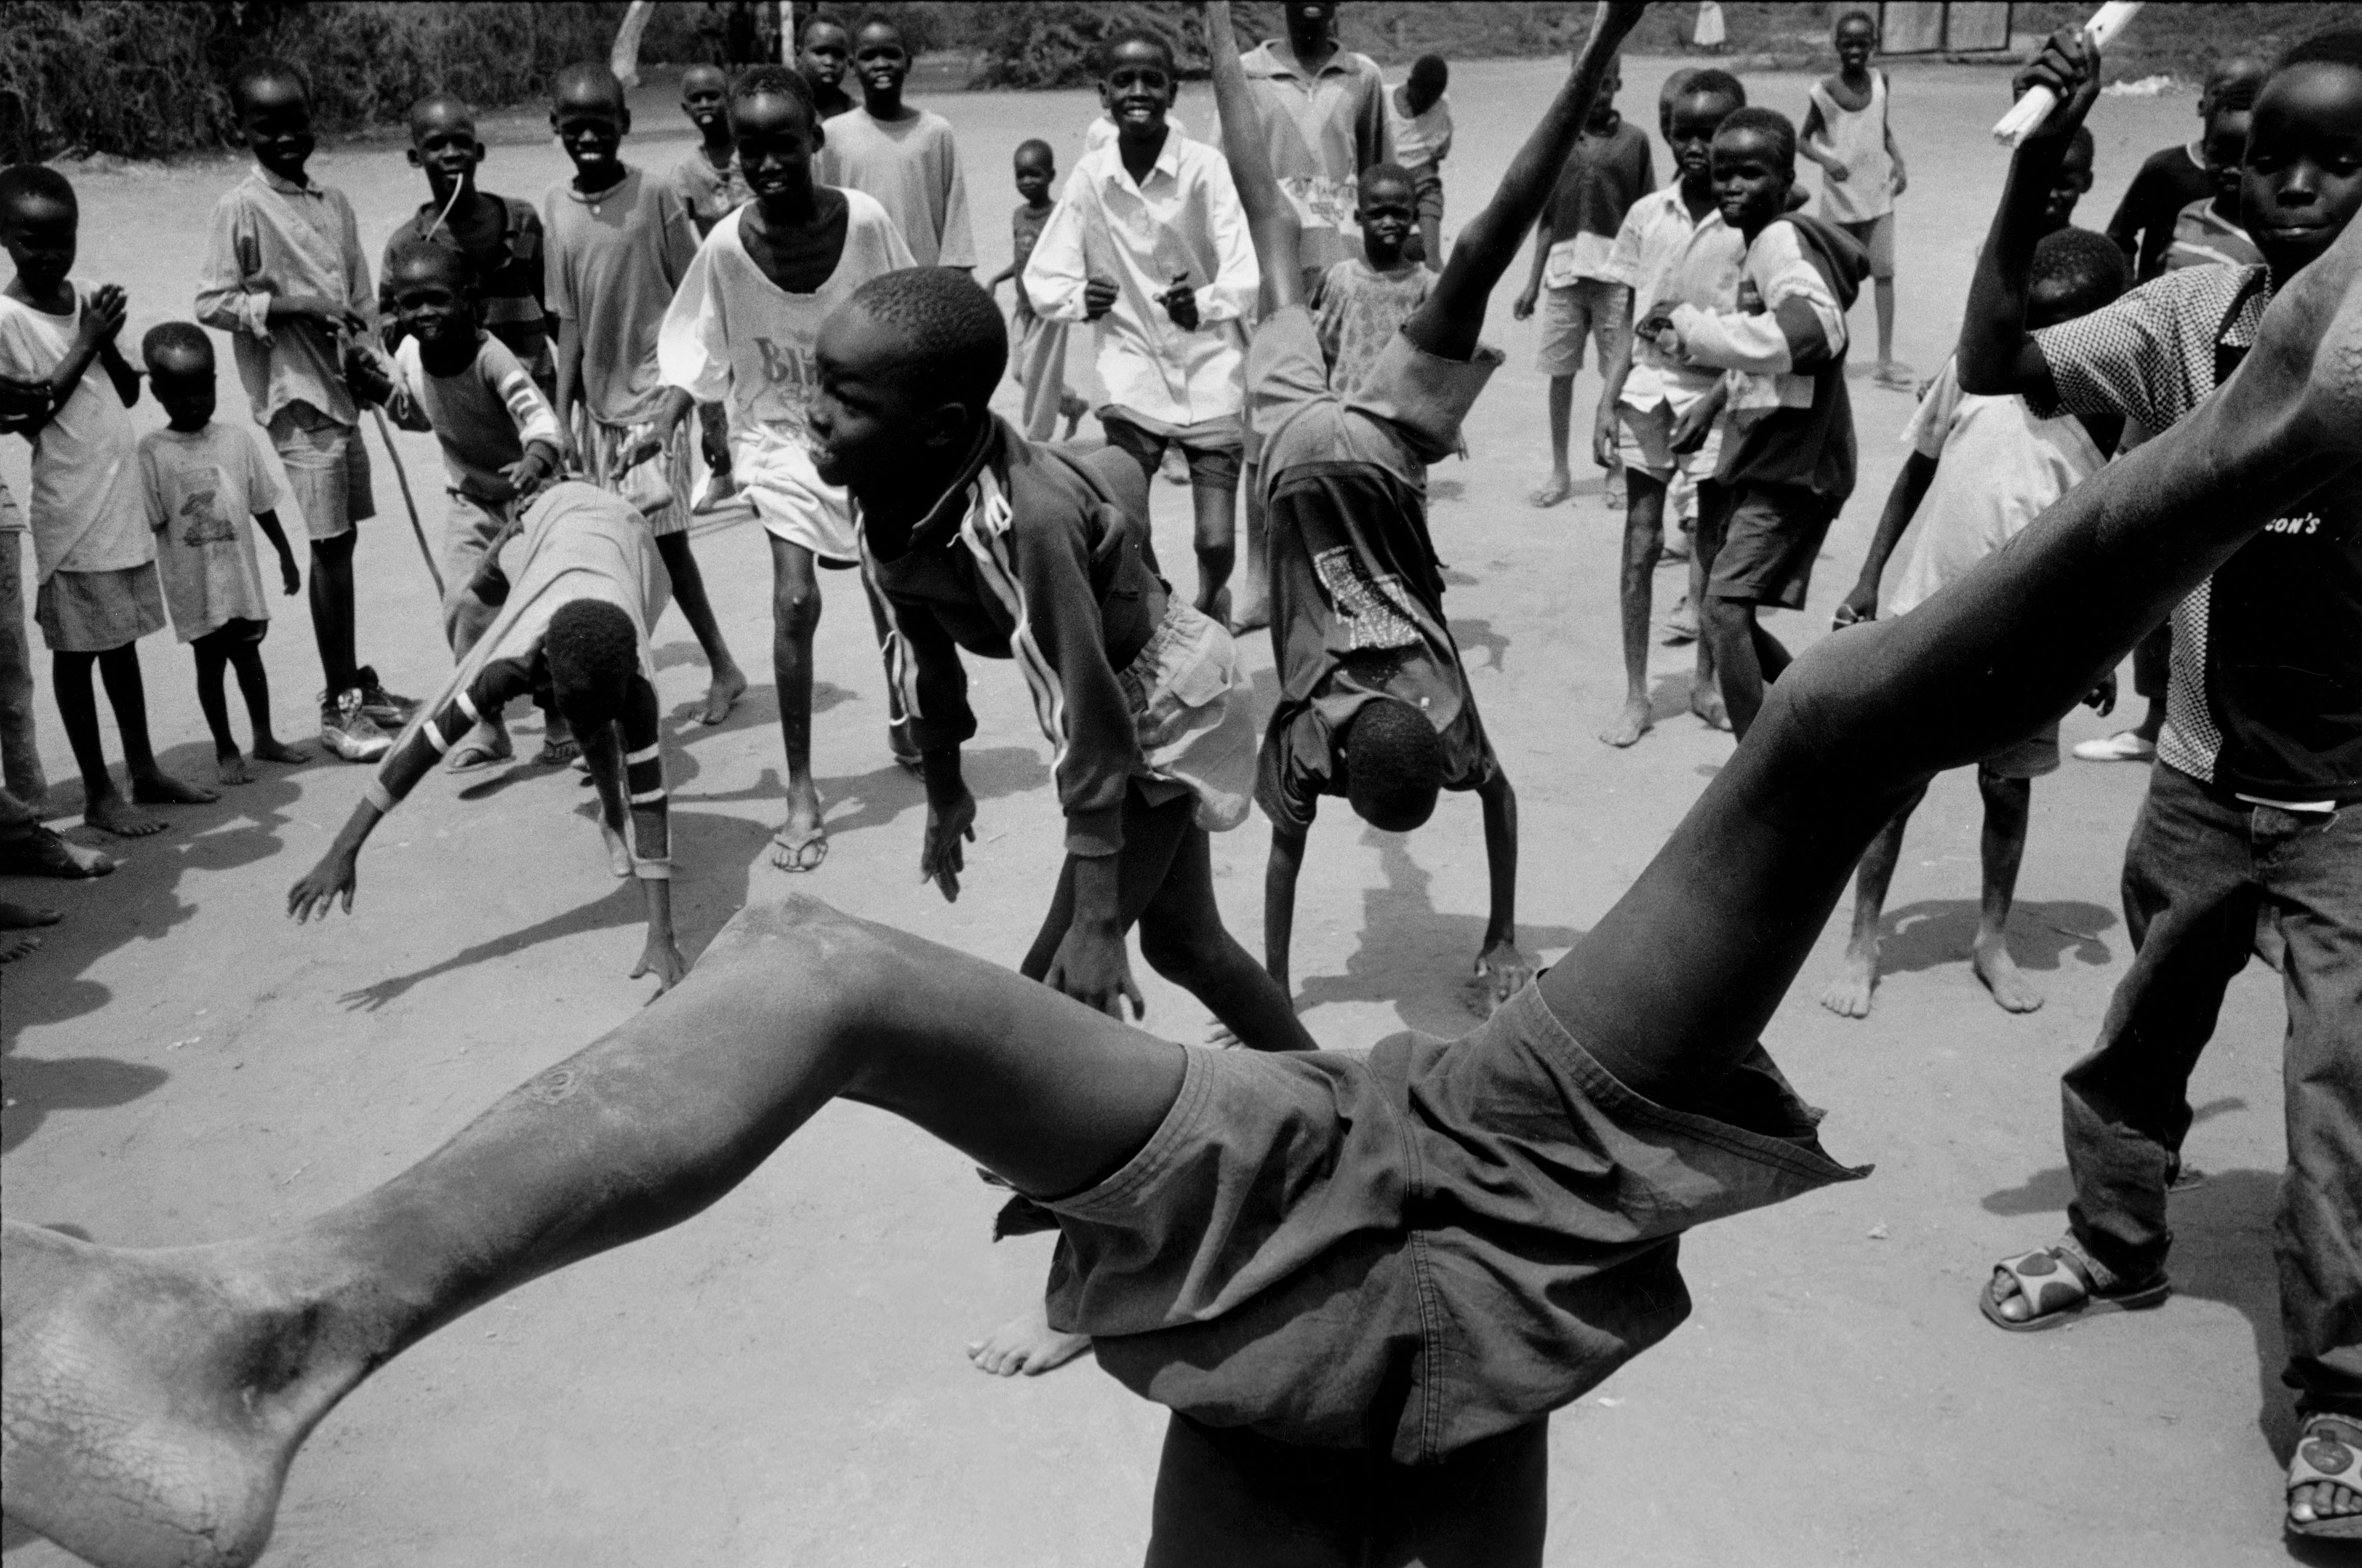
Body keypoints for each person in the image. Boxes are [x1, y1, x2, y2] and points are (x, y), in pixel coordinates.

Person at [14, 21, 2362, 1562]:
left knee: (881, 968)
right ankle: (271, 1330)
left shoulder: (1299, 517)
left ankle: (281, 1324)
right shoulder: (1334, 481)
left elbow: (1154, 714)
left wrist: (2249, 427)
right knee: (1096, 951)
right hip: (1502, 1156)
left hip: (1394, 1122)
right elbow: (1824, 714)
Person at [1957, 28, 2362, 1539]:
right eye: (2272, 159)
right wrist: (2027, 169)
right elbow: (1997, 364)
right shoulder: (2194, 318)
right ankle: (2116, 1239)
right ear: (2229, 175)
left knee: (2338, 1102)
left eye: (2342, 162)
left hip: (2350, 810)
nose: (2301, 185)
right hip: (2200, 773)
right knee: (2142, 1036)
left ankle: (2342, 1392)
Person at [837, 245, 1312, 1376]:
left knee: (1049, 1019)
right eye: (822, 388)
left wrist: (1096, 918)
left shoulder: (1024, 524)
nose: (817, 418)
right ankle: (1332, 1110)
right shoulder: (882, 489)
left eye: (846, 402)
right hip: (1131, 695)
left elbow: (1088, 724)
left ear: (941, 429)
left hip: (1160, 705)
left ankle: (1088, 1295)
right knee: (1188, 946)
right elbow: (920, 653)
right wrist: (944, 786)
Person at [1222, 25, 1531, 1023]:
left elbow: (1491, 799)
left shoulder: (1435, 706)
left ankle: (1214, 24)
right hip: (1300, 455)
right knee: (1278, 224)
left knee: (1467, 255)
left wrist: (1274, 997)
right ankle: (1214, 30)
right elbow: (1494, 804)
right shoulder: (1312, 738)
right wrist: (1500, 938)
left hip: (1372, 453)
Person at [1820, 228, 2128, 1019]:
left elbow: (2110, 550)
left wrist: (2097, 652)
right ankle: (1862, 940)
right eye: (2031, 323)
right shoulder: (1972, 371)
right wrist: (1867, 577)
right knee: (1893, 787)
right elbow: (1915, 472)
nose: (2043, 346)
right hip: (1926, 616)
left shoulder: (2116, 418)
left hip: (2031, 645)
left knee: (2006, 788)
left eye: (2067, 330)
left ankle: (1991, 940)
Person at [641, 64, 915, 873]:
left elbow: (907, 314)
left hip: (863, 435)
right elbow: (697, 346)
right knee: (795, 601)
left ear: (815, 141)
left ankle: (905, 712)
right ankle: (800, 790)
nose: (765, 164)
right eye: (748, 148)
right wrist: (664, 421)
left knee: (889, 587)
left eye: (782, 145)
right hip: (775, 437)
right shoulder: (728, 246)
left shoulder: (863, 223)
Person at [283, 481, 687, 996]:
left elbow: (651, 796)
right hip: (543, 524)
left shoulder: (635, 678)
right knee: (484, 601)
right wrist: (345, 848)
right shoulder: (511, 665)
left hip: (624, 537)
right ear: (543, 672)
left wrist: (662, 935)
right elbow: (423, 746)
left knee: (605, 726)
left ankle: (612, 816)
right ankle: (610, 814)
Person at [195, 56, 416, 762]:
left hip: (343, 395)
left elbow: (362, 301)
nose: (287, 138)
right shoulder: (241, 207)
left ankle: (354, 682)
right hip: (295, 396)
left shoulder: (334, 202)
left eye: (298, 123)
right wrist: (293, 306)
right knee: (328, 547)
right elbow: (212, 302)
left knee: (343, 544)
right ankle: (339, 705)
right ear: (243, 130)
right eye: (269, 127)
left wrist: (371, 361)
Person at [3, 164, 221, 835]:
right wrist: (88, 340)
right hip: (71, 511)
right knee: (77, 656)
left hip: (117, 505)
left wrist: (111, 343)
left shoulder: (87, 298)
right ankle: (99, 792)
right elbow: (31, 415)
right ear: (4, 238)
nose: (52, 255)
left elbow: (125, 394)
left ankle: (143, 769)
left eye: (63, 239)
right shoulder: (7, 319)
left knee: (121, 647)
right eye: (34, 241)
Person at [1645, 107, 1865, 742]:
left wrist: (1694, 328)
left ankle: (1756, 765)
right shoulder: (1765, 242)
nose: (1731, 187)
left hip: (1793, 463)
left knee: (1721, 610)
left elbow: (1813, 333)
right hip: (1771, 454)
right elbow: (1771, 350)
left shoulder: (1777, 242)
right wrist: (1712, 403)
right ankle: (1821, 727)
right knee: (1728, 613)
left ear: (1785, 179)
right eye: (1723, 174)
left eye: (1749, 173)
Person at [1024, 30, 1258, 623]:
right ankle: (1166, 618)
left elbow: (1244, 272)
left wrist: (1202, 304)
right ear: (1103, 95)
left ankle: (1212, 594)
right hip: (1129, 371)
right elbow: (1043, 277)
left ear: (1172, 92)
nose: (1137, 92)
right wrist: (1082, 297)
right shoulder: (1089, 178)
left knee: (1215, 540)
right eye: (1123, 81)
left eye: (1152, 80)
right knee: (1132, 523)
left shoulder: (1204, 169)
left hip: (1211, 366)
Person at [543, 62, 749, 734]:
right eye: (574, 127)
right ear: (555, 128)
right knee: (636, 550)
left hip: (659, 402)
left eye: (601, 125)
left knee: (657, 544)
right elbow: (568, 318)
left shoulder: (656, 194)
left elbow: (699, 299)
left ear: (624, 124)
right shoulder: (556, 208)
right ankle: (707, 668)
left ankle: (644, 688)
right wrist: (561, 415)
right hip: (599, 412)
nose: (588, 138)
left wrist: (708, 413)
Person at [358, 240, 564, 769]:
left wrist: (534, 461)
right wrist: (374, 385)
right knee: (464, 607)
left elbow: (541, 421)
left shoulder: (494, 360)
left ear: (471, 300)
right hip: (471, 501)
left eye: (438, 299)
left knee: (545, 613)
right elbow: (417, 414)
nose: (424, 313)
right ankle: (489, 725)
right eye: (411, 303)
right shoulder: (411, 354)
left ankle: (561, 719)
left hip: (532, 501)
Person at [1592, 67, 1748, 745]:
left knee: (1710, 543)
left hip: (1714, 398)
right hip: (1645, 394)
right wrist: (1605, 401)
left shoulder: (1747, 225)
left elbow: (1753, 332)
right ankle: (1635, 694)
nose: (1695, 146)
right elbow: (1627, 321)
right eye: (1684, 133)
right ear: (1667, 134)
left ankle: (1705, 684)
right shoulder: (1646, 215)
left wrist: (1714, 401)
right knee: (1639, 542)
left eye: (1711, 133)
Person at [1227, 0, 1393, 632]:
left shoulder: (1364, 77)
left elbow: (1380, 177)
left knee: (1351, 423)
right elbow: (1228, 178)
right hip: (1274, 270)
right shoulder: (1248, 74)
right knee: (1264, 425)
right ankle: (1260, 579)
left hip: (1349, 277)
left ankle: (1353, 573)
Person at [135, 324, 308, 788]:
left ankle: (264, 737)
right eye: (179, 392)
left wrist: (285, 555)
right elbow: (149, 521)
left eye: (201, 389)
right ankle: (226, 748)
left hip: (239, 578)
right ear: (156, 392)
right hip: (194, 586)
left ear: (215, 383)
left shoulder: (236, 440)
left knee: (250, 657)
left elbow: (262, 504)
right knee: (209, 665)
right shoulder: (151, 452)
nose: (193, 401)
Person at [1514, 51, 1652, 510]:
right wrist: (1531, 284)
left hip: (1615, 279)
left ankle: (1616, 467)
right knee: (1560, 375)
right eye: (1590, 84)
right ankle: (1560, 469)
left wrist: (1646, 283)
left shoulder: (1634, 142)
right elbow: (1548, 220)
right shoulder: (1558, 143)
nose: (1598, 94)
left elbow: (1647, 215)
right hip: (1563, 277)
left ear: (1618, 85)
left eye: (1607, 83)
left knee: (1618, 375)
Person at [379, 93, 554, 399]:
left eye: (462, 143)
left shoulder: (522, 221)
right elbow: (392, 329)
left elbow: (553, 305)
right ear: (415, 157)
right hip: (466, 404)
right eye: (436, 145)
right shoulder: (408, 247)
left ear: (479, 152)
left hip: (536, 389)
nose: (451, 154)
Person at [1800, 10, 1908, 389]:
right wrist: (1827, 161)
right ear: (1837, 47)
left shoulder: (1881, 82)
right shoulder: (1823, 91)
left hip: (1877, 197)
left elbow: (1882, 128)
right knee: (1833, 282)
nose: (1855, 51)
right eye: (1848, 44)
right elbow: (1802, 141)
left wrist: (1899, 162)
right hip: (1839, 202)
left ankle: (1884, 360)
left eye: (1863, 44)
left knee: (1884, 275)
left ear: (1873, 45)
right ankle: (1835, 358)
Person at [816, 17, 975, 271]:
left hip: (922, 280)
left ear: (908, 63)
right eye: (869, 57)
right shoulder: (832, 136)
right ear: (853, 66)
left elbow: (956, 228)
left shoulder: (936, 133)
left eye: (891, 54)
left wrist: (956, 280)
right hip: (859, 282)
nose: (881, 64)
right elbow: (820, 219)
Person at [2105, 54, 2271, 283]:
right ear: (2201, 106)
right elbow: (2119, 238)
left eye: (2251, 93)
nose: (2235, 99)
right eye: (2223, 92)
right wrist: (2128, 291)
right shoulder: (2164, 169)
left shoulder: (2269, 182)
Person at [986, 139, 1087, 442]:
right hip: (1024, 307)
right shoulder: (1019, 215)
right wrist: (997, 279)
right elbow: (1023, 260)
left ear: (1052, 176)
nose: (1027, 181)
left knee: (1035, 376)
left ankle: (1036, 440)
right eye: (1021, 175)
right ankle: (1070, 404)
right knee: (1020, 372)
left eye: (1035, 174)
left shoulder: (1060, 215)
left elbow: (1073, 257)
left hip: (1050, 309)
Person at [1309, 162, 1431, 399]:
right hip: (1340, 410)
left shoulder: (1425, 286)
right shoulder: (1336, 278)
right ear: (1358, 218)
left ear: (1415, 217)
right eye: (1377, 214)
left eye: (1399, 213)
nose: (1389, 222)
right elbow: (1316, 347)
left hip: (1395, 413)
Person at [2163, 86, 2263, 273]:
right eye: (2220, 155)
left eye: (2244, 158)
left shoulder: (2265, 240)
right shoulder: (2189, 215)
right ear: (2204, 152)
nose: (2231, 169)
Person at [1386, 54, 1452, 271]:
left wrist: (1444, 144)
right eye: (1422, 99)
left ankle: (1433, 261)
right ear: (1410, 84)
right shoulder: (1383, 99)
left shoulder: (1441, 106)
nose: (1426, 106)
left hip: (1422, 185)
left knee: (1432, 260)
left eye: (1432, 101)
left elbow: (1443, 143)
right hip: (1387, 179)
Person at [796, 13, 858, 121]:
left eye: (839, 54)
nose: (830, 62)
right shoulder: (781, 106)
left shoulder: (855, 113)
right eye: (820, 52)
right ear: (798, 54)